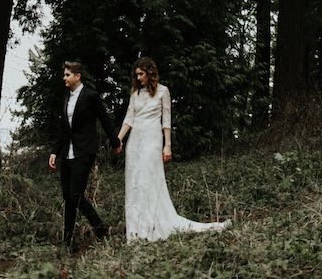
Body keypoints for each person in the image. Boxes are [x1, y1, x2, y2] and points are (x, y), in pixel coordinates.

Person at [117, 56, 229, 242]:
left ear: (150, 73)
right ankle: (137, 229)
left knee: (149, 181)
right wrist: (119, 140)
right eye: (136, 75)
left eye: (141, 74)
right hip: (134, 142)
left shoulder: (163, 92)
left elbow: (166, 121)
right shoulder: (135, 93)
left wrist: (167, 145)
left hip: (152, 140)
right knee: (135, 183)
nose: (138, 78)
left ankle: (154, 225)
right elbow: (129, 119)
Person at [48, 60, 122, 251]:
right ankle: (68, 242)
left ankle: (100, 229)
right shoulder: (66, 97)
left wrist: (115, 141)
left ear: (77, 76)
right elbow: (64, 128)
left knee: (75, 194)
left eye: (67, 75)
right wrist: (55, 151)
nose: (64, 78)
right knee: (68, 197)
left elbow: (104, 118)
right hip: (67, 153)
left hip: (84, 151)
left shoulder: (90, 96)